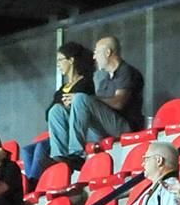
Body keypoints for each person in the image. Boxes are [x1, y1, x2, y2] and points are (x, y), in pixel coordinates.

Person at [47, 36, 144, 168]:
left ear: (108, 52)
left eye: (97, 52)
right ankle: (59, 158)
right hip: (102, 129)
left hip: (124, 126)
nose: (94, 57)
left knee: (80, 98)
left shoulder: (125, 71)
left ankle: (77, 154)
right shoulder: (104, 80)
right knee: (56, 110)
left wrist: (88, 99)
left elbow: (119, 103)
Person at [21, 42, 95, 184]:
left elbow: (81, 108)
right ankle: (32, 183)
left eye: (60, 60)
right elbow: (48, 113)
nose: (58, 64)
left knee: (41, 148)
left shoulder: (86, 83)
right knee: (27, 150)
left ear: (71, 60)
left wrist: (64, 105)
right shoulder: (63, 88)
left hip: (76, 133)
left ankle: (35, 183)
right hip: (61, 132)